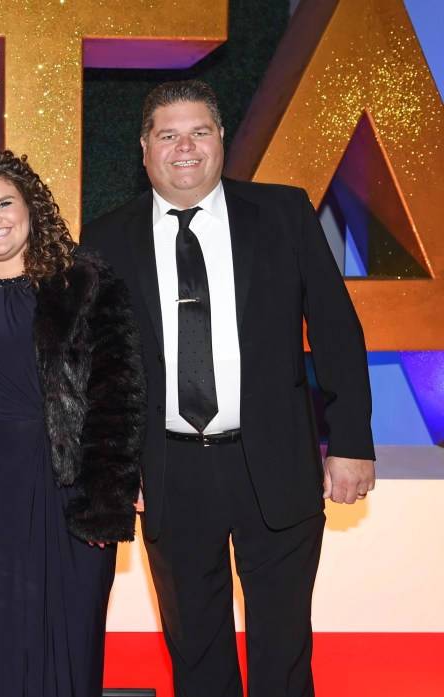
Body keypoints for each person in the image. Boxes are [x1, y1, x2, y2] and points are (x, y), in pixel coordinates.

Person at [80, 80, 376, 696]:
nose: (184, 148)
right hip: (167, 470)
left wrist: (351, 441)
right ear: (144, 149)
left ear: (220, 141)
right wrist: (113, 466)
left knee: (283, 639)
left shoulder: (284, 212)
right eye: (168, 135)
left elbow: (335, 329)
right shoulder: (107, 237)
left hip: (274, 460)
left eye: (199, 132)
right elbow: (98, 364)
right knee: (195, 644)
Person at [0, 150, 146, 697]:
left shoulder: (86, 283)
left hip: (63, 490)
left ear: (31, 207)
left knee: (70, 630)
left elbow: (119, 396)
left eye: (4, 203)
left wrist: (106, 499)